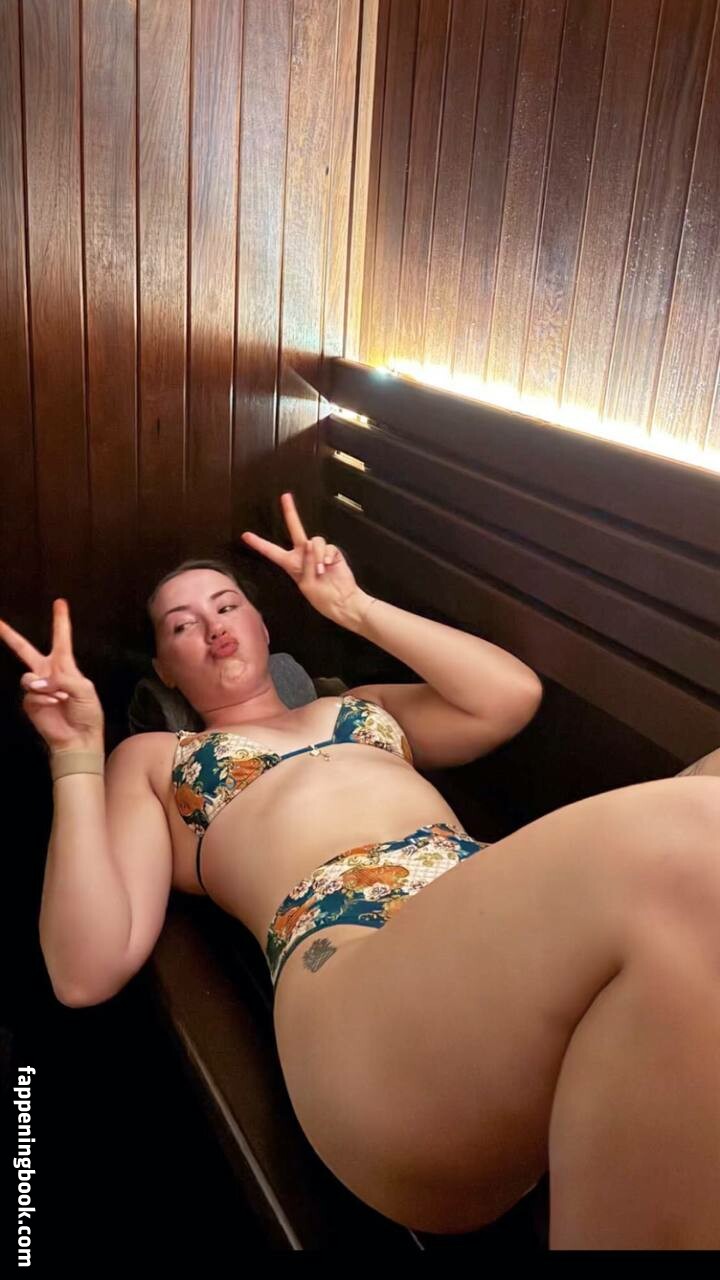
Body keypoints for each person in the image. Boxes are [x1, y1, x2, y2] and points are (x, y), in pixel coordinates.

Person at [2, 491, 720, 1250]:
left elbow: (510, 697)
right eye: (182, 625)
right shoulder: (158, 759)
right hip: (362, 986)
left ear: (263, 626)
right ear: (164, 671)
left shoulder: (363, 707)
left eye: (227, 606)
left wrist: (355, 607)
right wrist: (75, 757)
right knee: (691, 838)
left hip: (502, 959)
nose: (212, 627)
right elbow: (85, 970)